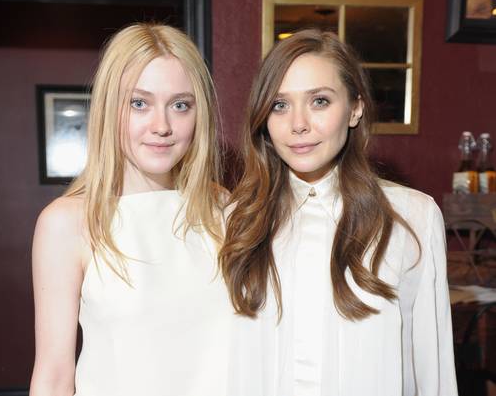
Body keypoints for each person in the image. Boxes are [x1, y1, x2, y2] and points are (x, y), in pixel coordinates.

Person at [220, 29, 458, 396]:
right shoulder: (236, 220)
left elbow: (432, 368)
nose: (298, 124)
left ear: (355, 108)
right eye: (280, 105)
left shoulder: (413, 217)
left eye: (319, 101)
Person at [30, 24, 232, 396]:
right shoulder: (66, 223)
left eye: (180, 105)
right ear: (110, 109)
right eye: (139, 103)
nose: (162, 126)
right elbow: (54, 376)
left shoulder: (223, 210)